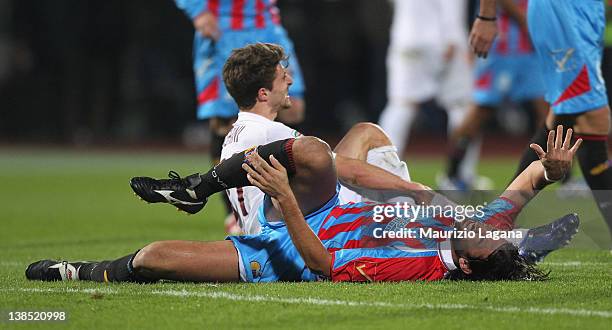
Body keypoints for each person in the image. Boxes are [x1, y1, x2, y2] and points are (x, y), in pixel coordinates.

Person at [25, 125, 581, 283]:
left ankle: (78, 271)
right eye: (496, 232)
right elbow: (532, 176)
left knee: (154, 259)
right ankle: (200, 187)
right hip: (326, 204)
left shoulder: (417, 266)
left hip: (293, 247)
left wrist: (286, 200)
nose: (480, 224)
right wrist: (554, 172)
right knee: (318, 150)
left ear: (468, 262)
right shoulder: (473, 225)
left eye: (489, 239)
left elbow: (322, 264)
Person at [133, 43, 428, 235]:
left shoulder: (240, 130)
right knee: (367, 164)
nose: (289, 80)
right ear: (263, 93)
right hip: (291, 231)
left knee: (365, 132)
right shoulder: (269, 132)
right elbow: (347, 170)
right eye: (281, 76)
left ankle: (400, 218)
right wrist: (411, 187)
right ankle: (404, 225)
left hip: (269, 223)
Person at [470, 0, 612, 240]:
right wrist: (486, 16)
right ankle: (495, 221)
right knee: (588, 114)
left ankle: (496, 219)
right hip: (561, 12)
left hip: (588, 13)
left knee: (584, 117)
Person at [174, 0, 307, 230]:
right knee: (224, 122)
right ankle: (234, 212)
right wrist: (198, 11)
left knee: (293, 108)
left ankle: (287, 200)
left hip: (267, 26)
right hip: (223, 28)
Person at [441, 0, 547, 189]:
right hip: (504, 42)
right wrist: (524, 21)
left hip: (532, 46)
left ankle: (564, 179)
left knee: (548, 112)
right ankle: (451, 174)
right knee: (482, 108)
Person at [378, 0, 483, 187]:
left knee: (400, 105)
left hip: (405, 39)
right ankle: (459, 176)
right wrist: (454, 39)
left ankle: (379, 174)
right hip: (443, 41)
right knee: (463, 107)